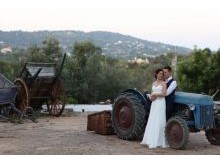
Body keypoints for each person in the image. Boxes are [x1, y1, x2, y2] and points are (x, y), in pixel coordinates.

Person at [141, 68, 168, 148]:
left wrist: (154, 94)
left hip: (161, 103)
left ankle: (158, 141)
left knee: (159, 120)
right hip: (154, 103)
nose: (161, 75)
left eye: (162, 74)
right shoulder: (153, 83)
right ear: (156, 74)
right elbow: (152, 97)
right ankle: (150, 139)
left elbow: (164, 94)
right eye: (159, 73)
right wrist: (150, 97)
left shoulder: (164, 83)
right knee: (152, 119)